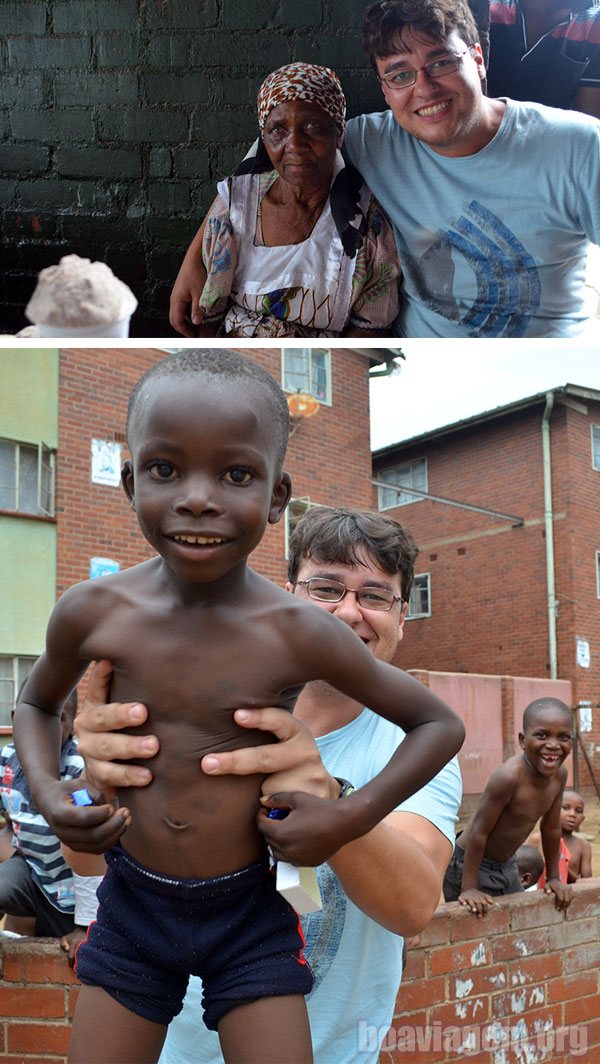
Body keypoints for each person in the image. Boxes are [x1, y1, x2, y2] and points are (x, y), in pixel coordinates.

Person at [13, 352, 464, 1064]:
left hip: (250, 914)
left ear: (277, 496)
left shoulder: (295, 631)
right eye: (165, 470)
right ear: (128, 481)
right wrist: (56, 793)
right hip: (135, 906)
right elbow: (36, 704)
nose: (198, 498)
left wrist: (342, 815)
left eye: (235, 474)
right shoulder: (94, 612)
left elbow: (439, 725)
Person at [67, 504, 463, 1064]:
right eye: (326, 587)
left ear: (402, 616)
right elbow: (84, 863)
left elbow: (414, 907)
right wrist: (92, 780)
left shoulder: (409, 747)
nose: (347, 613)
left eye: (374, 596)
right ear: (285, 597)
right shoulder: (197, 703)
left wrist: (330, 800)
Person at [170, 0, 600, 340]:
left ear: (478, 59)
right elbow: (265, 157)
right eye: (400, 75)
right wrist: (195, 260)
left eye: (442, 62)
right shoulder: (365, 140)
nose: (424, 88)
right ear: (384, 89)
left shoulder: (577, 146)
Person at [189, 62, 400, 338]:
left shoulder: (367, 229)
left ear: (338, 134)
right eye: (278, 130)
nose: (295, 145)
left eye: (312, 126)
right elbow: (206, 319)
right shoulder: (235, 208)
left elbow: (371, 329)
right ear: (264, 140)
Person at [443, 697, 574, 916]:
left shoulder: (559, 775)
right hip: (470, 864)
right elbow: (479, 832)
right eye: (542, 735)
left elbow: (551, 828)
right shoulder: (509, 777)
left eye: (563, 737)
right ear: (522, 740)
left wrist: (553, 878)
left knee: (517, 920)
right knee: (478, 930)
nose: (553, 744)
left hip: (506, 864)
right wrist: (469, 888)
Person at [0, 690, 94, 962]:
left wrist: (85, 926)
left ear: (72, 724)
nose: (46, 729)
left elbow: (88, 848)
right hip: (33, 876)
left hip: (78, 895)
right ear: (17, 720)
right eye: (37, 719)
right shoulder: (6, 762)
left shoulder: (80, 771)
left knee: (79, 958)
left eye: (59, 718)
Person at [488, 0, 600, 117]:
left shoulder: (595, 21)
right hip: (484, 131)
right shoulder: (485, 8)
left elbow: (589, 124)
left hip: (559, 134)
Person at [560, 787, 593, 880]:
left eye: (578, 811)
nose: (572, 814)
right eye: (566, 808)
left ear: (582, 819)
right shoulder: (538, 840)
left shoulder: (584, 846)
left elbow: (587, 884)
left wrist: (562, 866)